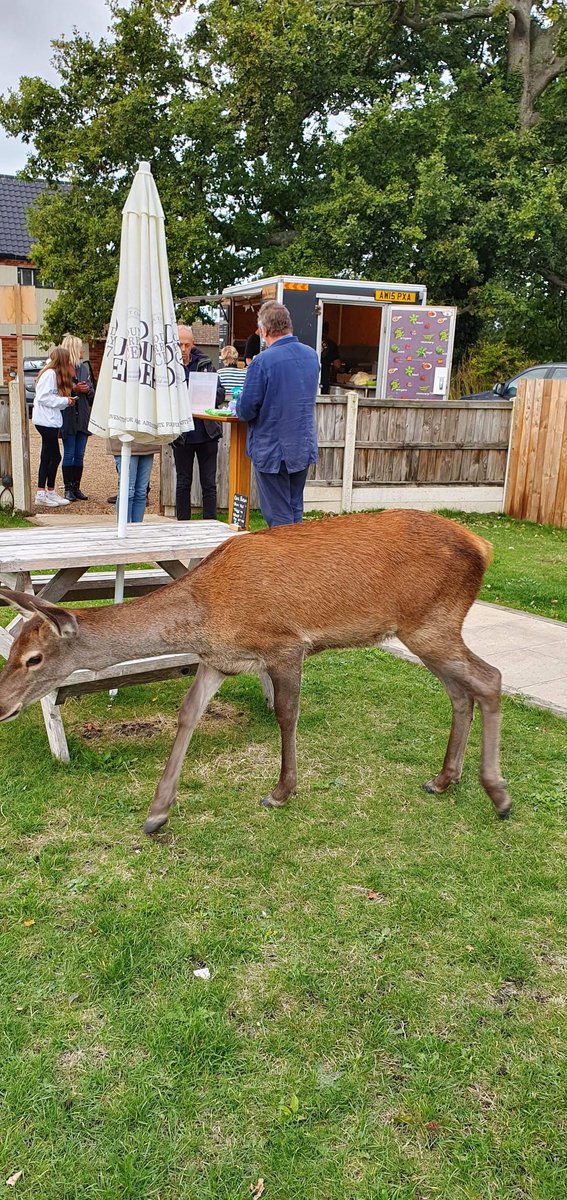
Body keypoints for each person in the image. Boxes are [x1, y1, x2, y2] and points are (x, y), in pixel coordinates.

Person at [236, 301, 319, 527]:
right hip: (302, 446)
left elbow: (246, 410)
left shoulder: (262, 362)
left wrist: (237, 402)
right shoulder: (312, 356)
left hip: (273, 450)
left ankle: (286, 560)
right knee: (295, 509)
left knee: (279, 517)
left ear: (264, 331)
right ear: (288, 325)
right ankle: (301, 559)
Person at [172, 324, 225, 521]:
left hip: (206, 432)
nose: (183, 349)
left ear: (193, 344)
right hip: (182, 434)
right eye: (179, 345)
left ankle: (209, 524)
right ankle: (182, 525)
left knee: (209, 483)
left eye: (186, 344)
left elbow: (220, 393)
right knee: (183, 482)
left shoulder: (205, 363)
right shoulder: (169, 367)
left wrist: (206, 393)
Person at [32, 346, 75, 507]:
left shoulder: (49, 373)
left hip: (47, 421)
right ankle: (43, 493)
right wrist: (65, 401)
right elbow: (44, 397)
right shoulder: (50, 374)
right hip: (46, 421)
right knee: (54, 456)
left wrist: (65, 401)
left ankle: (46, 492)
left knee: (47, 456)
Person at [60, 333, 96, 501]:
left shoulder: (83, 368)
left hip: (82, 413)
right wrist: (74, 389)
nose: (83, 350)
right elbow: (58, 392)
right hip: (68, 415)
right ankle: (68, 488)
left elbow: (92, 390)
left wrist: (87, 389)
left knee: (80, 453)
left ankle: (76, 487)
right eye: (80, 347)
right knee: (69, 453)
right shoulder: (61, 370)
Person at [107, 437, 160, 524]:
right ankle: (123, 528)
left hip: (148, 443)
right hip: (124, 442)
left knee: (141, 491)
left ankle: (137, 529)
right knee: (128, 491)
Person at [320, 320, 341, 394]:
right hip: (324, 376)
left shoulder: (311, 341)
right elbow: (337, 365)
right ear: (327, 330)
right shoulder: (332, 344)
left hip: (310, 375)